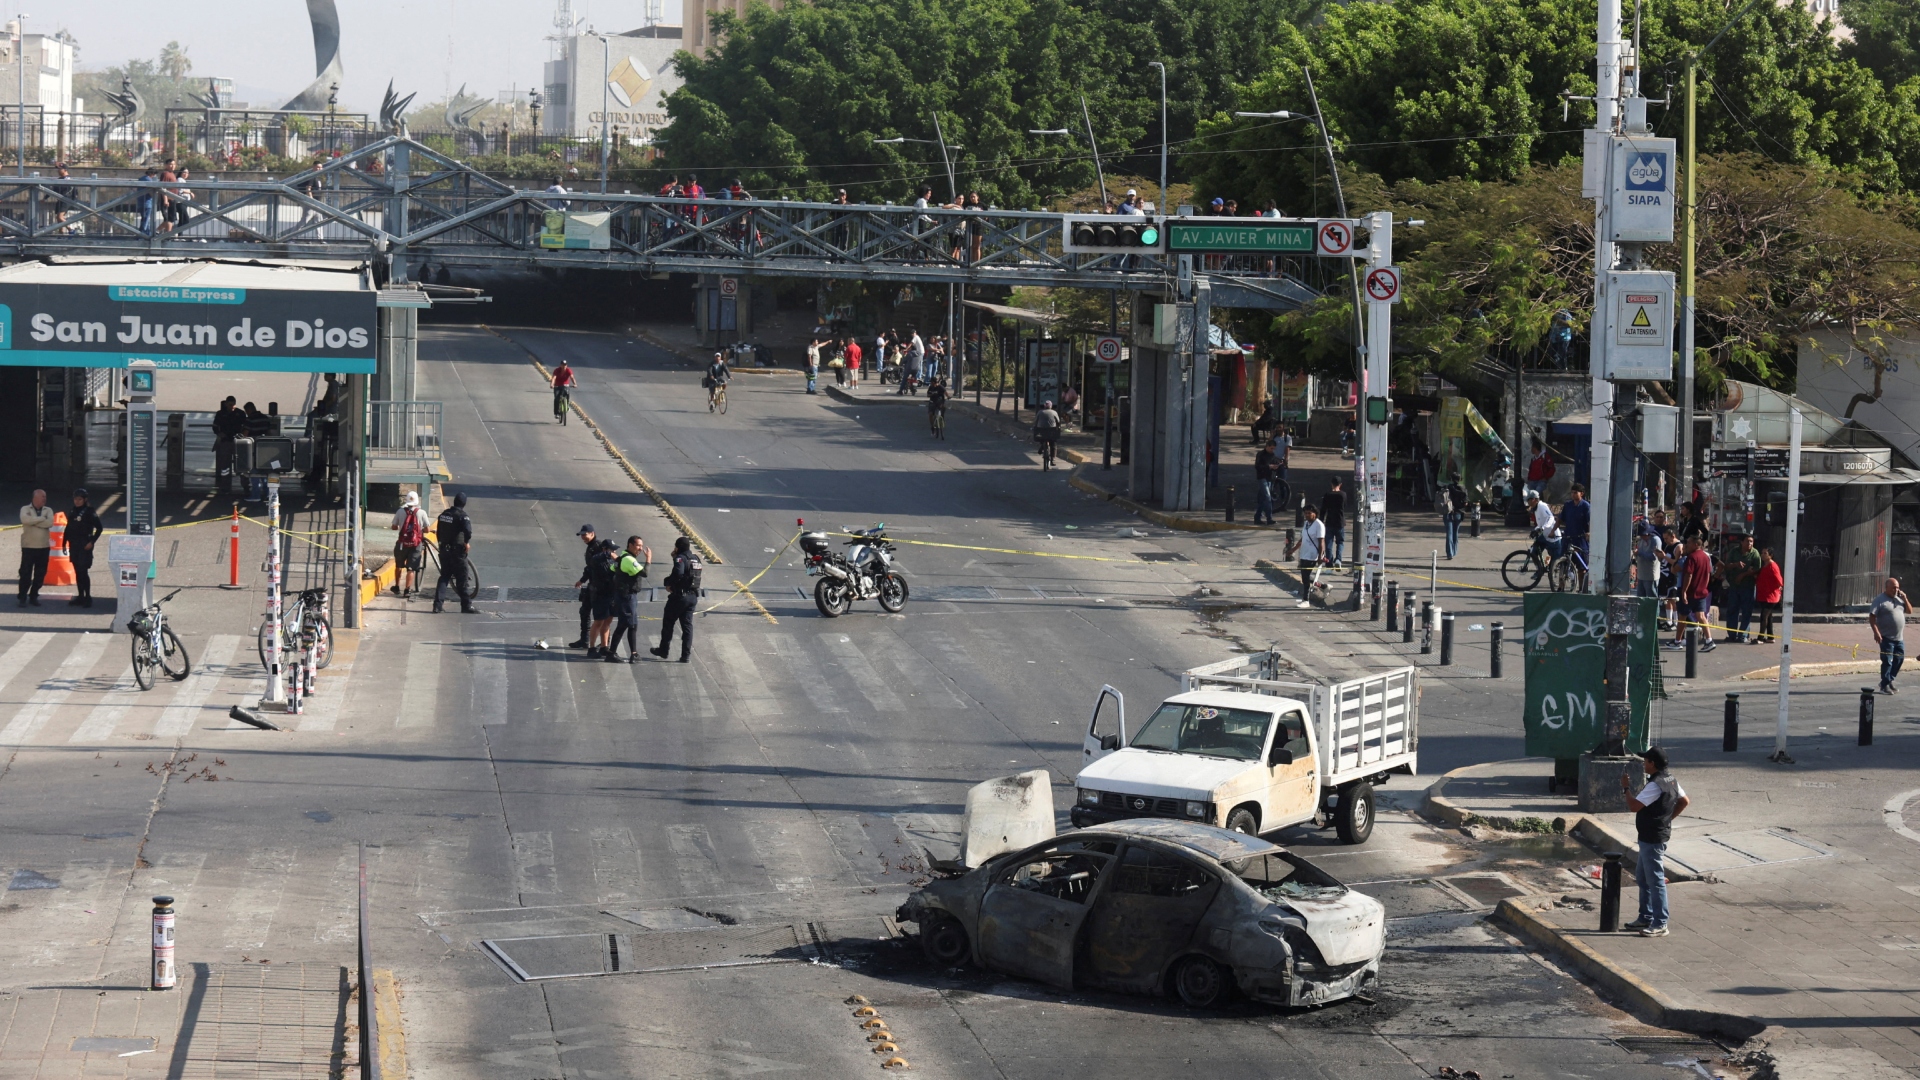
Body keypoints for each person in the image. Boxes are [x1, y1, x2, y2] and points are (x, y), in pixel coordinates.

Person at [1622, 746, 1689, 936]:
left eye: (1646, 761)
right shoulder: (1671, 779)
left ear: (1652, 763)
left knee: (1655, 880)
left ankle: (1660, 923)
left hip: (1652, 838)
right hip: (1651, 836)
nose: (1643, 764)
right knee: (1643, 878)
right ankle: (1645, 916)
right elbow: (1685, 801)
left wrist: (1626, 788)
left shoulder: (1655, 785)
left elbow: (1634, 806)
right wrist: (1668, 819)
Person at [650, 536, 702, 662]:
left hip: (679, 597)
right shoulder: (696, 558)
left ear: (677, 547)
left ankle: (663, 650)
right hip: (692, 596)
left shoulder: (680, 558)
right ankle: (685, 655)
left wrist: (669, 584)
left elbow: (679, 573)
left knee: (668, 623)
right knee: (687, 627)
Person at [607, 535, 650, 663]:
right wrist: (649, 559)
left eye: (641, 546)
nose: (640, 549)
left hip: (629, 596)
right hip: (626, 597)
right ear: (630, 545)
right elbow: (645, 573)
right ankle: (612, 653)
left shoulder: (623, 558)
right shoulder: (629, 559)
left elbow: (612, 569)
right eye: (638, 546)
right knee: (625, 624)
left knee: (633, 625)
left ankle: (634, 653)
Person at [1668, 536, 1715, 651]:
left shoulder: (1691, 557)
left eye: (1689, 543)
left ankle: (1677, 641)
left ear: (1696, 544)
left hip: (1690, 593)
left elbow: (1689, 575)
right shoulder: (1706, 557)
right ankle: (1709, 640)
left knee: (1682, 616)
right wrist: (1704, 586)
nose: (1686, 545)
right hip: (1701, 592)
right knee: (1701, 616)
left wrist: (1684, 591)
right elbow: (1709, 574)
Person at [432, 492, 476, 614]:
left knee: (444, 577)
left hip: (444, 550)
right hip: (457, 552)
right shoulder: (463, 516)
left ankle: (437, 606)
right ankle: (466, 605)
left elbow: (439, 532)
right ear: (464, 503)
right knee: (462, 578)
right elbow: (468, 531)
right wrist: (466, 542)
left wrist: (441, 545)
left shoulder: (444, 515)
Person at [1872, 577, 1912, 695]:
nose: (1896, 590)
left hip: (1899, 638)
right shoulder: (1880, 600)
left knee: (1899, 659)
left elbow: (1909, 611)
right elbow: (1872, 617)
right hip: (1886, 637)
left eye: (1898, 587)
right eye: (1894, 587)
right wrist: (1876, 632)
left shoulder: (1899, 599)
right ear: (1887, 587)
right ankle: (1884, 686)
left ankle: (1888, 680)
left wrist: (1905, 598)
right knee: (1887, 661)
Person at [66, 488, 102, 607]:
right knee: (77, 571)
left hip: (85, 543)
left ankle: (88, 597)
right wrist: (64, 542)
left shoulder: (89, 511)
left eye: (79, 499)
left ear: (85, 499)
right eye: (75, 499)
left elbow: (99, 528)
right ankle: (80, 595)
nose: (77, 501)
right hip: (74, 544)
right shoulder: (72, 510)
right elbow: (68, 527)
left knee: (83, 571)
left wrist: (92, 542)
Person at [16, 489, 53, 607]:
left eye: (45, 496)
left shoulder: (48, 510)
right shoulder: (25, 509)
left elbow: (50, 523)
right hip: (29, 547)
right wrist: (42, 519)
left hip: (43, 547)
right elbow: (25, 520)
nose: (44, 499)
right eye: (42, 496)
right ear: (34, 498)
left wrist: (34, 522)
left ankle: (34, 595)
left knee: (40, 574)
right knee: (25, 573)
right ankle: (22, 596)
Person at [1723, 534, 1761, 643]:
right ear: (1742, 542)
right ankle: (1731, 634)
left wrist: (1744, 574)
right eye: (1747, 541)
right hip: (1734, 587)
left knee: (1746, 612)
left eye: (1751, 542)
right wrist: (1735, 564)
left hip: (1748, 587)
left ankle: (1743, 635)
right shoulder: (1734, 552)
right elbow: (1727, 565)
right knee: (1732, 610)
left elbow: (1757, 569)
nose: (1749, 544)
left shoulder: (1755, 553)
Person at [390, 491, 428, 599]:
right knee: (411, 568)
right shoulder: (422, 513)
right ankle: (407, 590)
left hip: (402, 544)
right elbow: (427, 529)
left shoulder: (400, 511)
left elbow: (394, 526)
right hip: (415, 544)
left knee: (398, 565)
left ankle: (397, 586)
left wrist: (400, 527)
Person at [586, 538, 619, 658]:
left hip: (611, 594)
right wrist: (609, 554)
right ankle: (592, 647)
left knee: (608, 621)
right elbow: (603, 570)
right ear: (605, 549)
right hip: (600, 594)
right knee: (599, 621)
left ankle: (604, 647)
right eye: (612, 550)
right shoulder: (598, 559)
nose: (614, 553)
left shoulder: (612, 561)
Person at [568, 525, 599, 648]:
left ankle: (603, 643)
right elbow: (589, 568)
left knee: (600, 616)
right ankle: (584, 639)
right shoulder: (591, 547)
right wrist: (582, 580)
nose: (582, 537)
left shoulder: (597, 547)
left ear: (592, 533)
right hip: (592, 585)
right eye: (581, 535)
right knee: (584, 611)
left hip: (599, 587)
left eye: (584, 534)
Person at [1292, 503, 1327, 608]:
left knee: (1305, 578)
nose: (1306, 515)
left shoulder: (1319, 525)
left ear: (1315, 514)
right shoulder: (1306, 524)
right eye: (1305, 513)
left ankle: (1306, 600)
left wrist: (1320, 556)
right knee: (1305, 576)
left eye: (1309, 513)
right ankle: (1324, 586)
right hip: (1304, 553)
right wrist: (1293, 550)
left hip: (1313, 555)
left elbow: (1321, 542)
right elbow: (1303, 539)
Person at [212, 395, 243, 493]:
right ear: (226, 404)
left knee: (241, 464)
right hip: (226, 441)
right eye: (230, 405)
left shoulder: (240, 413)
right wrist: (219, 433)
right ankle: (225, 484)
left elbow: (245, 425)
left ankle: (244, 484)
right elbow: (215, 426)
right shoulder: (220, 414)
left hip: (237, 441)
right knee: (225, 464)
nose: (232, 407)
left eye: (233, 405)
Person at [1755, 547, 1783, 644]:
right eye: (1762, 553)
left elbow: (1779, 581)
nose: (1762, 555)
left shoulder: (1772, 566)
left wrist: (1778, 589)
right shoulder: (1765, 565)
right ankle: (1770, 637)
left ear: (1770, 555)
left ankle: (1760, 638)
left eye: (1765, 553)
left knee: (1764, 616)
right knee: (1769, 617)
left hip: (1771, 597)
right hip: (1764, 595)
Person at [1559, 484, 1591, 568]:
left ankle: (1580, 581)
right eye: (1572, 493)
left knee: (1581, 567)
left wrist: (1588, 532)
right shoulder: (1568, 505)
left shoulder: (1585, 506)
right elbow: (1560, 519)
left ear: (1582, 493)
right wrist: (1553, 530)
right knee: (1563, 564)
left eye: (1575, 493)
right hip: (1568, 537)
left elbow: (1590, 521)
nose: (1573, 495)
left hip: (1580, 539)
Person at [1526, 489, 1562, 562]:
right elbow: (1540, 524)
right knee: (1534, 553)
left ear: (1534, 499)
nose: (1528, 502)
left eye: (1529, 500)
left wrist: (1542, 528)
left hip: (1553, 537)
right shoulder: (1535, 509)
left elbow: (1550, 517)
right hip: (1544, 536)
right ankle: (1539, 570)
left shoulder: (1542, 506)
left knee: (1554, 562)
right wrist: (1535, 530)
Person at [1252, 438, 1281, 526]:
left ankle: (1257, 517)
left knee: (1263, 499)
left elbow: (1276, 462)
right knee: (1267, 497)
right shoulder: (1261, 454)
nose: (1272, 450)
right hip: (1262, 478)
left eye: (1273, 448)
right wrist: (1269, 466)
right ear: (1267, 446)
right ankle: (1269, 518)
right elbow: (1257, 466)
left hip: (1269, 478)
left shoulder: (1272, 455)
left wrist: (1278, 465)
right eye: (1271, 448)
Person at [1321, 479, 1347, 565]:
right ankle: (1338, 560)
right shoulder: (1343, 495)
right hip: (1340, 521)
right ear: (1340, 484)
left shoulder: (1327, 495)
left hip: (1329, 522)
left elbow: (1323, 509)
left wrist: (1321, 520)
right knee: (1340, 542)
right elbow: (1344, 506)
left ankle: (1329, 562)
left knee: (1328, 543)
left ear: (1331, 484)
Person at [1442, 479, 1467, 560]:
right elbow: (1466, 502)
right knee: (1455, 532)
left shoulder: (1447, 488)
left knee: (1449, 533)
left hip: (1448, 512)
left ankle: (1450, 553)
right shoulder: (1463, 489)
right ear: (1460, 479)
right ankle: (1454, 551)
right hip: (1458, 513)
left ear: (1451, 479)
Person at [1033, 400, 1062, 470]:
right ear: (1051, 406)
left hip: (1041, 431)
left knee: (1042, 439)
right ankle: (1053, 459)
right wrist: (1058, 427)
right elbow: (1058, 422)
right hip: (1052, 431)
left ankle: (1042, 447)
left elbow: (1035, 422)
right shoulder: (1054, 412)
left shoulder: (1040, 412)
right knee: (1053, 444)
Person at [551, 358, 577, 423]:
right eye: (563, 365)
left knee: (567, 394)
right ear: (560, 365)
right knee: (556, 398)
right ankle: (556, 413)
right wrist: (552, 384)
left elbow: (572, 377)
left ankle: (567, 405)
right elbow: (554, 378)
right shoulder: (557, 370)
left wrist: (574, 384)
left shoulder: (568, 370)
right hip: (557, 386)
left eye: (565, 365)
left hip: (565, 385)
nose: (564, 366)